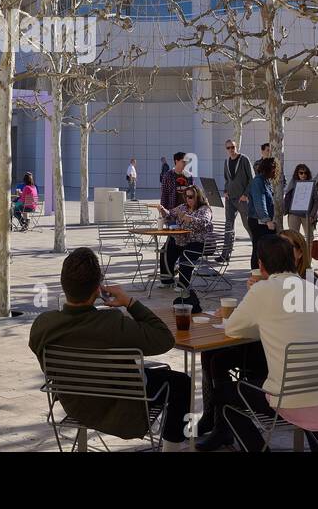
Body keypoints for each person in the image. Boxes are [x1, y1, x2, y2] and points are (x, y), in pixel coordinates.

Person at [28, 247, 192, 451]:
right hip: (122, 412)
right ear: (98, 289)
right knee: (183, 383)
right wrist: (129, 302)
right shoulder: (113, 324)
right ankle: (176, 444)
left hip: (76, 404)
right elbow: (164, 339)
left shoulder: (43, 324)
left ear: (64, 285)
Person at [195, 237, 318, 452]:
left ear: (261, 264)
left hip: (293, 400)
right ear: (293, 261)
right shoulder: (311, 289)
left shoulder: (262, 290)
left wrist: (255, 299)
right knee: (302, 382)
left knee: (225, 396)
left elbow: (233, 329)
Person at [156, 185, 212, 313]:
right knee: (167, 249)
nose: (188, 199)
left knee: (185, 255)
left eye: (191, 196)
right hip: (182, 239)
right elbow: (170, 216)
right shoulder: (183, 207)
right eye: (186, 196)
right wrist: (163, 210)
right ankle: (167, 279)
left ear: (198, 197)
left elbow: (203, 222)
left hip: (197, 242)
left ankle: (183, 284)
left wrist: (188, 218)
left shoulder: (205, 209)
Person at [221, 139, 253, 265]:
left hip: (242, 199)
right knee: (228, 226)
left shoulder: (244, 159)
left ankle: (258, 252)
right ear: (226, 149)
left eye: (233, 147)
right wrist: (225, 191)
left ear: (236, 146)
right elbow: (226, 179)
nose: (231, 150)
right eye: (228, 148)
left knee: (248, 225)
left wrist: (246, 194)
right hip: (230, 199)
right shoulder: (226, 161)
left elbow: (252, 178)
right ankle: (225, 254)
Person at [245, 157, 278, 269]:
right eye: (275, 169)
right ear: (269, 169)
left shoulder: (265, 181)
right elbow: (260, 202)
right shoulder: (259, 182)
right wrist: (267, 220)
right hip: (258, 222)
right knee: (259, 249)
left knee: (263, 249)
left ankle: (262, 272)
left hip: (261, 221)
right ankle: (256, 274)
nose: (276, 172)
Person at [284, 163, 316, 246]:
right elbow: (287, 198)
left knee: (310, 238)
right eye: (301, 173)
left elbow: (316, 201)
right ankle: (296, 258)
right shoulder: (292, 183)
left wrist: (312, 214)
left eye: (305, 173)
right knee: (293, 238)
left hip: (307, 215)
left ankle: (308, 258)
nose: (303, 175)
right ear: (297, 174)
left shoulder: (311, 184)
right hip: (294, 214)